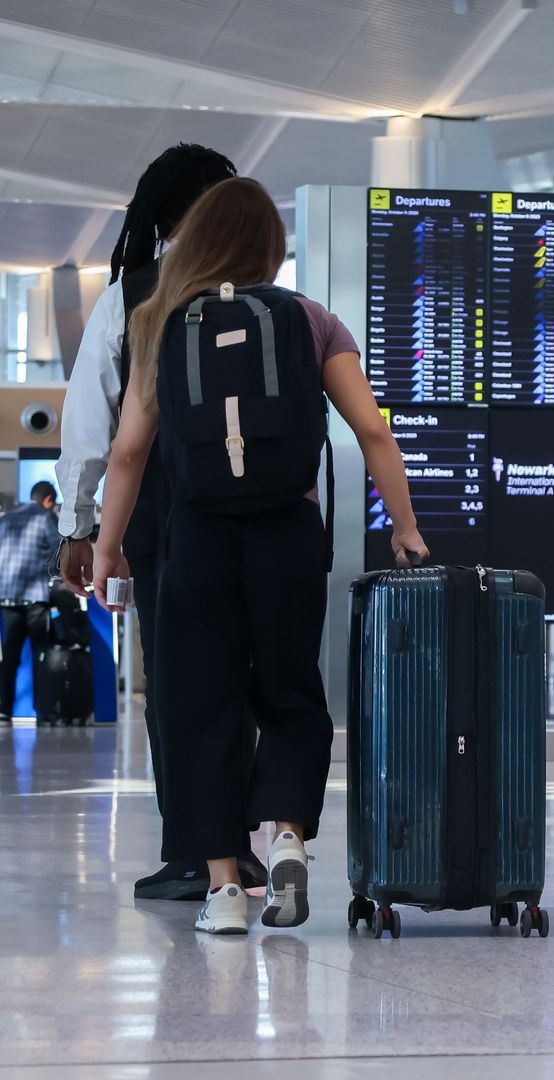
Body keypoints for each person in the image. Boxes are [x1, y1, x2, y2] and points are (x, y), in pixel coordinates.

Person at [91, 177, 428, 935]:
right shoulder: (308, 318)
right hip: (287, 531)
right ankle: (287, 837)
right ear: (271, 245)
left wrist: (108, 548)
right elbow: (371, 431)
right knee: (290, 691)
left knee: (202, 704)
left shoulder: (158, 321)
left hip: (199, 537)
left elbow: (128, 454)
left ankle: (223, 893)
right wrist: (404, 526)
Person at [53, 143, 248, 899]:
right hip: (257, 519)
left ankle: (195, 854)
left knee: (174, 684)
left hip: (165, 518)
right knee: (240, 677)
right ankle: (240, 850)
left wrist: (82, 531)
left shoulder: (135, 293)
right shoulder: (268, 294)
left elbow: (90, 425)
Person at [0, 481, 64, 720]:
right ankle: (42, 708)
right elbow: (57, 553)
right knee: (41, 653)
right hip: (35, 597)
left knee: (10, 654)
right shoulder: (45, 518)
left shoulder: (6, 518)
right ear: (48, 500)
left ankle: (4, 708)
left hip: (7, 595)